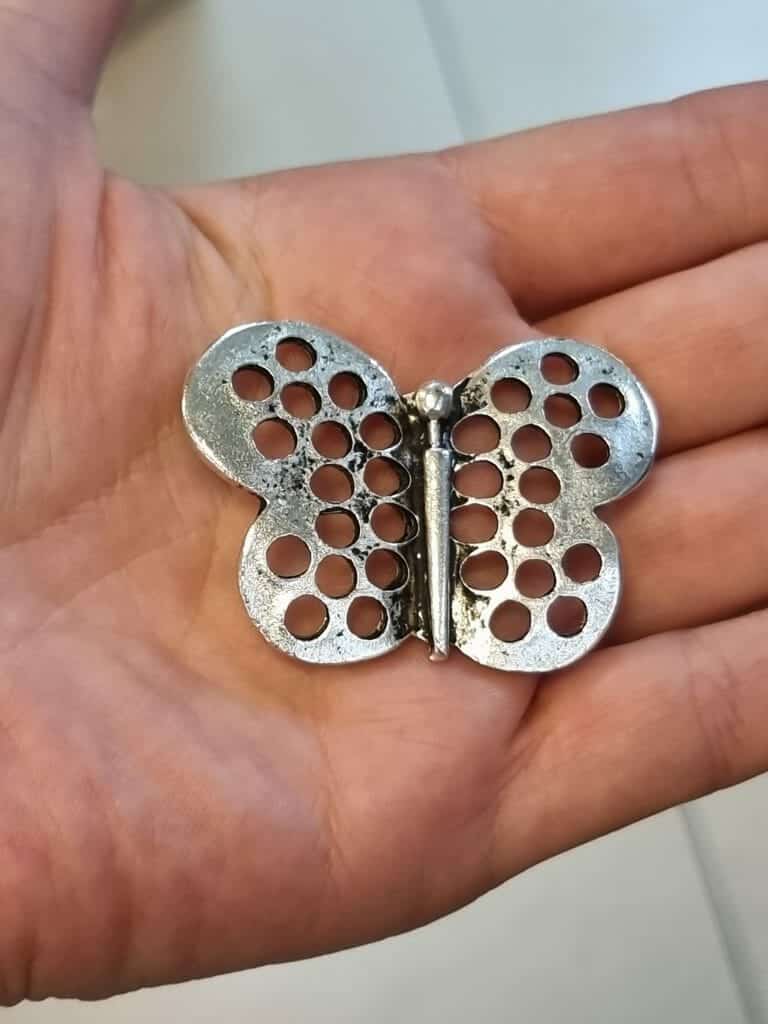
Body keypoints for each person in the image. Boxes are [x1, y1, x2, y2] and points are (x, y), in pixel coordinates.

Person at [0, 0, 766, 1005]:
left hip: (365, 575)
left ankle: (431, 610)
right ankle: (449, 611)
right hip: (408, 583)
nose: (434, 415)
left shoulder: (371, 411)